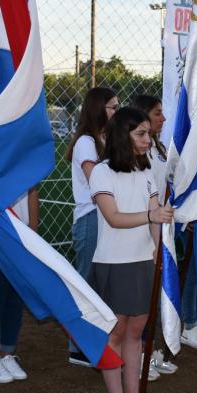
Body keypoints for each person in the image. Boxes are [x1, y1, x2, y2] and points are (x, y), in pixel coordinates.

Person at [89, 107, 174, 393]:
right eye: (141, 133)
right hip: (113, 262)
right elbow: (113, 217)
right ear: (122, 135)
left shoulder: (146, 171)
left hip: (141, 261)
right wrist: (152, 217)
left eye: (148, 134)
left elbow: (155, 212)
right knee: (116, 332)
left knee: (136, 333)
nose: (147, 139)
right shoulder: (102, 172)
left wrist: (157, 252)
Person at [64, 86, 118, 367]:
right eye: (112, 107)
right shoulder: (86, 141)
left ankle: (94, 342)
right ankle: (78, 346)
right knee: (87, 283)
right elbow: (96, 179)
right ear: (99, 109)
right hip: (91, 218)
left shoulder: (102, 138)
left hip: (103, 218)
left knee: (101, 283)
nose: (116, 112)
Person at [131, 94, 178, 377]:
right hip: (144, 227)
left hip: (159, 225)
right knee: (141, 296)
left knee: (155, 291)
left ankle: (150, 349)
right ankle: (137, 355)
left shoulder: (157, 147)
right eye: (158, 113)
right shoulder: (137, 153)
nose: (163, 118)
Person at [0, 187, 37, 384]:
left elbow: (32, 191)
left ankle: (7, 353)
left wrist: (33, 233)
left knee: (15, 298)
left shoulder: (23, 158)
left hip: (21, 234)